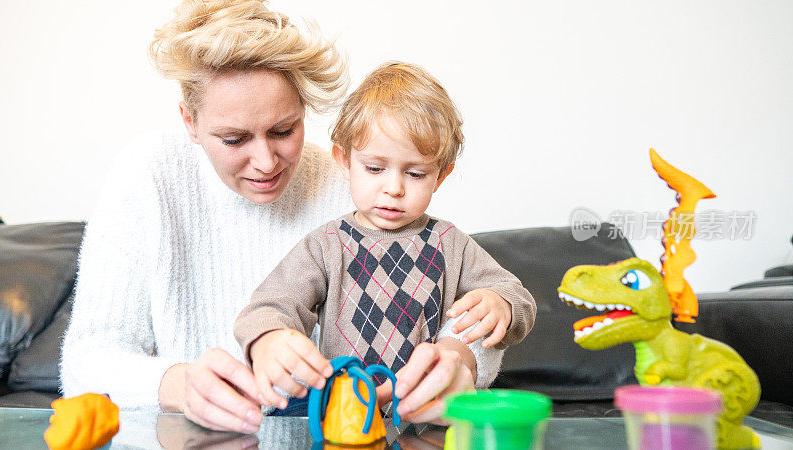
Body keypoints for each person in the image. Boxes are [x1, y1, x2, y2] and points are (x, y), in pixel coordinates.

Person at [60, 0, 507, 433]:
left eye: (283, 130)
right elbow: (86, 362)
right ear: (190, 121)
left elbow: (452, 296)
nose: (266, 162)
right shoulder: (148, 177)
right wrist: (177, 385)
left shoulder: (354, 181)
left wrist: (460, 359)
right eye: (234, 139)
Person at [234, 62, 537, 423]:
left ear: (441, 176)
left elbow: (518, 297)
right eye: (375, 168)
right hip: (343, 415)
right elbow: (268, 306)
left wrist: (500, 303)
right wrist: (269, 339)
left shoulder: (450, 244)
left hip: (424, 415)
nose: (393, 188)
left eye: (415, 173)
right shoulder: (325, 245)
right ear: (344, 161)